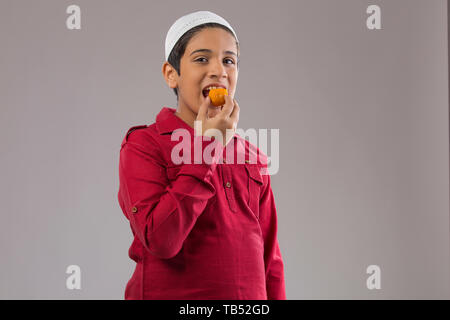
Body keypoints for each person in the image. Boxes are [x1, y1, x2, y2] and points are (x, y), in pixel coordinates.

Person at [117, 10, 286, 300]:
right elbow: (161, 240)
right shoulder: (144, 145)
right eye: (201, 59)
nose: (219, 70)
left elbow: (270, 265)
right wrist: (209, 146)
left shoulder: (252, 157)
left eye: (228, 60)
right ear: (172, 74)